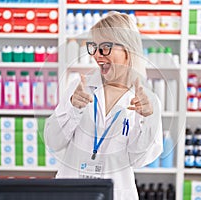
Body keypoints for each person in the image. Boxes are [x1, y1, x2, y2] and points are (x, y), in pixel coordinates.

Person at [44, 12, 163, 200]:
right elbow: (53, 141)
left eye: (105, 47)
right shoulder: (80, 89)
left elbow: (139, 160)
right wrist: (72, 108)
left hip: (117, 194)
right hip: (71, 192)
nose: (97, 55)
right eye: (94, 47)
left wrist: (148, 118)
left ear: (128, 49)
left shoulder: (147, 100)